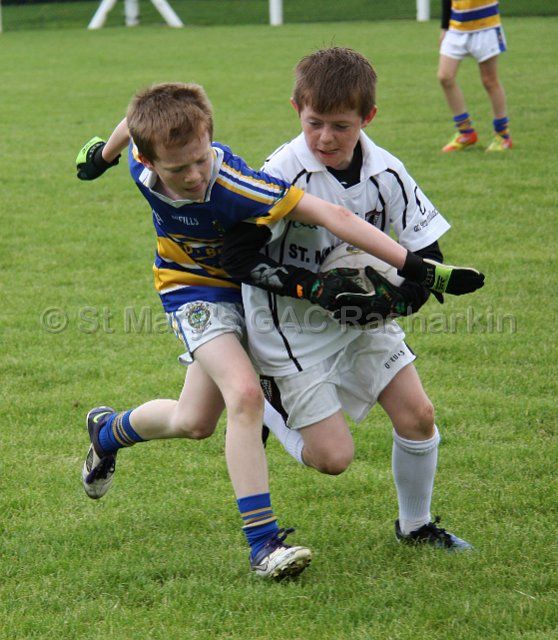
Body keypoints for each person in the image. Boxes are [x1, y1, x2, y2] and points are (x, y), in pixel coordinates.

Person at [76, 83, 482, 578]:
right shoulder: (142, 164)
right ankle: (263, 545)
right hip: (192, 292)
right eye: (178, 169)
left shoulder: (237, 185)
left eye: (201, 160)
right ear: (150, 159)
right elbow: (133, 122)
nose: (195, 176)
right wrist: (103, 155)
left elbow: (333, 215)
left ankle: (108, 432)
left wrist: (422, 271)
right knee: (243, 396)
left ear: (210, 141)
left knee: (195, 421)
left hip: (251, 289)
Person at [222, 47, 483, 551]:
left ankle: (416, 527)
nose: (325, 137)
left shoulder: (388, 174)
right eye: (314, 123)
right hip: (290, 328)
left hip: (361, 319)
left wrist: (393, 303)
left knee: (419, 416)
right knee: (333, 459)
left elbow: (427, 256)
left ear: (368, 117)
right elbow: (237, 256)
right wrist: (315, 288)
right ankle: (268, 409)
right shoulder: (280, 172)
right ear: (296, 109)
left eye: (341, 126)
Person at [438, 0, 512, 152]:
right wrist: (445, 27)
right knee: (445, 77)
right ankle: (466, 132)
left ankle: (503, 135)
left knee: (489, 81)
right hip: (456, 27)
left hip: (486, 26)